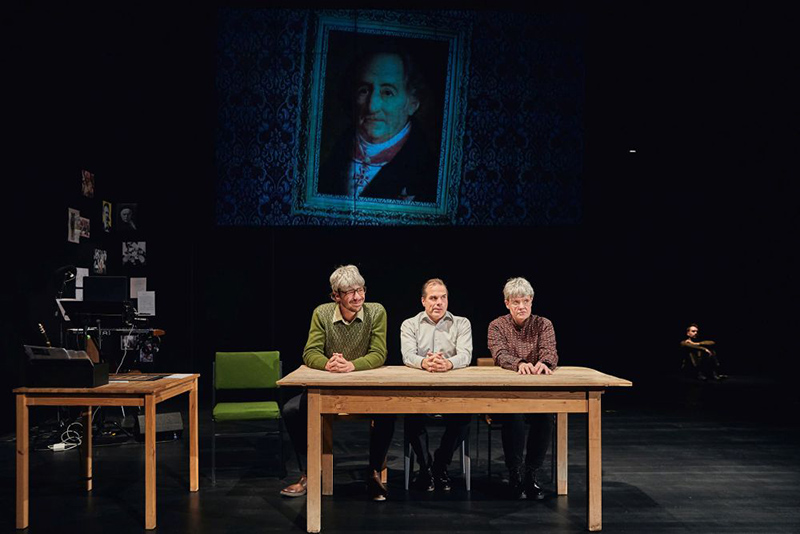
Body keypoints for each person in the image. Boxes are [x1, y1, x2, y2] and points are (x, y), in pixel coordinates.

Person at [280, 265, 395, 501]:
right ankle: (309, 473)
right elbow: (310, 352)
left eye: (360, 289)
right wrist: (328, 364)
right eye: (350, 292)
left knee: (388, 411)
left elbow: (378, 353)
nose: (358, 296)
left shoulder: (376, 312)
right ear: (336, 296)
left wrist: (351, 365)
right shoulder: (322, 313)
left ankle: (373, 472)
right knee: (292, 410)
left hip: (365, 388)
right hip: (329, 388)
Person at [317, 46, 438, 202]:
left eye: (387, 92)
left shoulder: (428, 173)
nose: (372, 106)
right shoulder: (332, 158)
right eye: (364, 90)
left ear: (412, 103)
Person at [487, 277, 558, 500]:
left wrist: (544, 363)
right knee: (513, 414)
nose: (521, 306)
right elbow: (499, 354)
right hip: (508, 395)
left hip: (537, 394)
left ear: (532, 301)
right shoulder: (497, 325)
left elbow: (550, 350)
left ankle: (531, 473)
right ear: (507, 303)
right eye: (516, 302)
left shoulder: (543, 324)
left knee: (545, 416)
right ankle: (515, 473)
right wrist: (519, 363)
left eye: (525, 301)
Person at [400, 278, 472, 491]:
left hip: (452, 393)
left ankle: (440, 464)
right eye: (433, 298)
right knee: (412, 418)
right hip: (420, 393)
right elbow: (407, 355)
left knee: (464, 419)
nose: (439, 302)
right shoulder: (410, 324)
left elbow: (466, 355)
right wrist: (425, 362)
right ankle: (425, 469)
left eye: (443, 297)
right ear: (423, 301)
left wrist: (448, 363)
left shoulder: (461, 323)